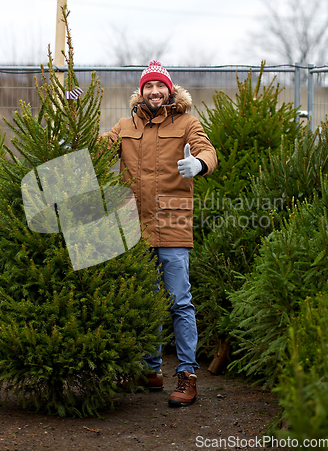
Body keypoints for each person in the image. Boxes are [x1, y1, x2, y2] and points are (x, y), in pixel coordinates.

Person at [101, 60, 218, 407]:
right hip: (133, 227)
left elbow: (207, 150)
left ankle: (187, 375)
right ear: (141, 91)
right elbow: (96, 149)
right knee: (147, 301)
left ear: (170, 90)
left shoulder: (186, 124)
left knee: (180, 302)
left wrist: (199, 164)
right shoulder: (125, 125)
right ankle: (150, 370)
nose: (154, 92)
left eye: (160, 86)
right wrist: (68, 126)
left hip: (172, 223)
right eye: (148, 86)